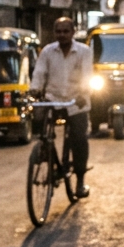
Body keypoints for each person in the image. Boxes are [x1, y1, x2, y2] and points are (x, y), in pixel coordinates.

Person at [30, 17, 92, 197]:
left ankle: (80, 180)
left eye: (66, 31)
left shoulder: (83, 51)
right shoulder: (47, 52)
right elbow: (39, 73)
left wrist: (84, 92)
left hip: (76, 102)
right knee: (43, 128)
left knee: (79, 138)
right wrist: (34, 91)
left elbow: (87, 74)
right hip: (53, 99)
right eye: (59, 31)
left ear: (73, 32)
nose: (62, 35)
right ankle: (46, 154)